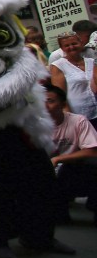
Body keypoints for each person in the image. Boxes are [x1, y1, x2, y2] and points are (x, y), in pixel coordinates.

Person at [45, 84, 97, 225]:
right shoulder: (34, 125)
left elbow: (93, 151)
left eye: (50, 101)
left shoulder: (78, 121)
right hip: (44, 172)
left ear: (63, 104)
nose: (45, 105)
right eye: (42, 101)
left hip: (72, 170)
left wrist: (59, 159)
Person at [49, 31, 97, 126]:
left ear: (81, 43)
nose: (71, 47)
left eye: (74, 43)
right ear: (62, 48)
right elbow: (60, 96)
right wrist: (70, 120)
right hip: (79, 116)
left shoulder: (92, 62)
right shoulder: (58, 66)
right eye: (66, 45)